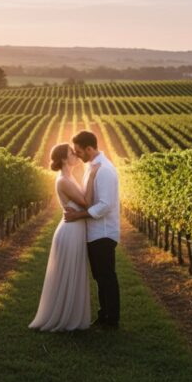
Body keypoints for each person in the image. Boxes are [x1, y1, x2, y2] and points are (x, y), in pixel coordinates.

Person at [29, 143, 99, 331]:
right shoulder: (63, 181)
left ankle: (70, 316)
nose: (75, 154)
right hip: (70, 232)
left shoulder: (68, 178)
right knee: (69, 273)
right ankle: (65, 318)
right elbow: (86, 203)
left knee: (73, 273)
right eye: (71, 153)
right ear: (63, 159)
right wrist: (92, 176)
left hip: (74, 229)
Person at [63, 130, 121, 329]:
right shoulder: (92, 167)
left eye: (79, 151)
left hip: (103, 232)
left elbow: (105, 205)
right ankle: (104, 315)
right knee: (100, 276)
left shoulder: (104, 169)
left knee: (106, 276)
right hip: (95, 232)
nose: (77, 155)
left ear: (89, 148)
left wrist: (78, 215)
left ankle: (111, 319)